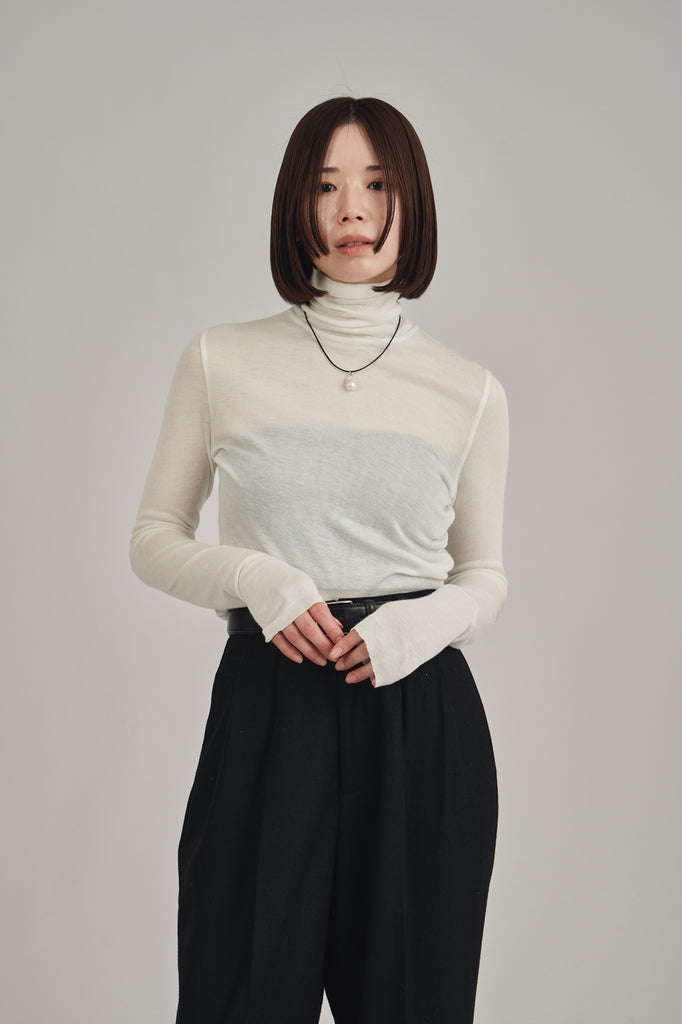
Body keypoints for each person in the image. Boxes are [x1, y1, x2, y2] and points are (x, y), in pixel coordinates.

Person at [130, 96, 509, 1024]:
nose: (353, 211)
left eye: (377, 184)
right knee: (238, 997)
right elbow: (154, 537)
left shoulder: (468, 391)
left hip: (419, 720)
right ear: (295, 205)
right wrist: (255, 579)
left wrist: (413, 628)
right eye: (327, 185)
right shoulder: (221, 361)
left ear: (411, 201)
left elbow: (484, 578)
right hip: (270, 706)